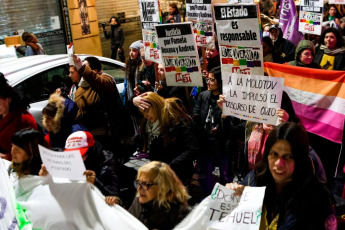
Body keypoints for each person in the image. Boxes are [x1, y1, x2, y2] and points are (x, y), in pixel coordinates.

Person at [226, 123, 336, 229]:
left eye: (287, 156)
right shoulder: (253, 179)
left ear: (300, 159)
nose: (279, 163)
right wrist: (231, 194)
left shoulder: (318, 202)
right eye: (274, 154)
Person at [194, 68, 239, 197]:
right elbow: (196, 113)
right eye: (207, 79)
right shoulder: (204, 95)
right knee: (203, 172)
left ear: (220, 82)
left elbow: (233, 123)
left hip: (222, 143)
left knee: (225, 175)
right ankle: (207, 198)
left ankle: (223, 200)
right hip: (205, 142)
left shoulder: (228, 99)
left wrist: (221, 123)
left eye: (212, 80)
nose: (208, 82)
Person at [135, 92, 198, 183]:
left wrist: (170, 166)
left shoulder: (177, 120)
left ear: (155, 106)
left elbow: (192, 149)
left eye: (146, 111)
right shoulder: (151, 124)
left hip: (177, 173)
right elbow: (129, 108)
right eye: (143, 113)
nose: (145, 116)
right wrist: (134, 100)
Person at [70, 55, 128, 151]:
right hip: (89, 129)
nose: (81, 70)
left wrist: (81, 66)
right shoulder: (83, 84)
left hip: (104, 130)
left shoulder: (105, 80)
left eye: (85, 67)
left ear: (95, 70)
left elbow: (97, 81)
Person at [64, 131, 121, 205]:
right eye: (72, 155)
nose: (75, 159)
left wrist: (95, 182)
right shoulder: (69, 159)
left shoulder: (106, 165)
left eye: (80, 155)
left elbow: (114, 197)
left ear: (90, 151)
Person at [128, 161, 190, 229]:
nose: (139, 188)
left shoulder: (180, 213)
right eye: (138, 182)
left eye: (146, 184)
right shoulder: (138, 200)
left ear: (163, 187)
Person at [0, 73, 37, 161]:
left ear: (8, 99)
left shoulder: (24, 120)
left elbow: (31, 151)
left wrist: (7, 157)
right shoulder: (2, 116)